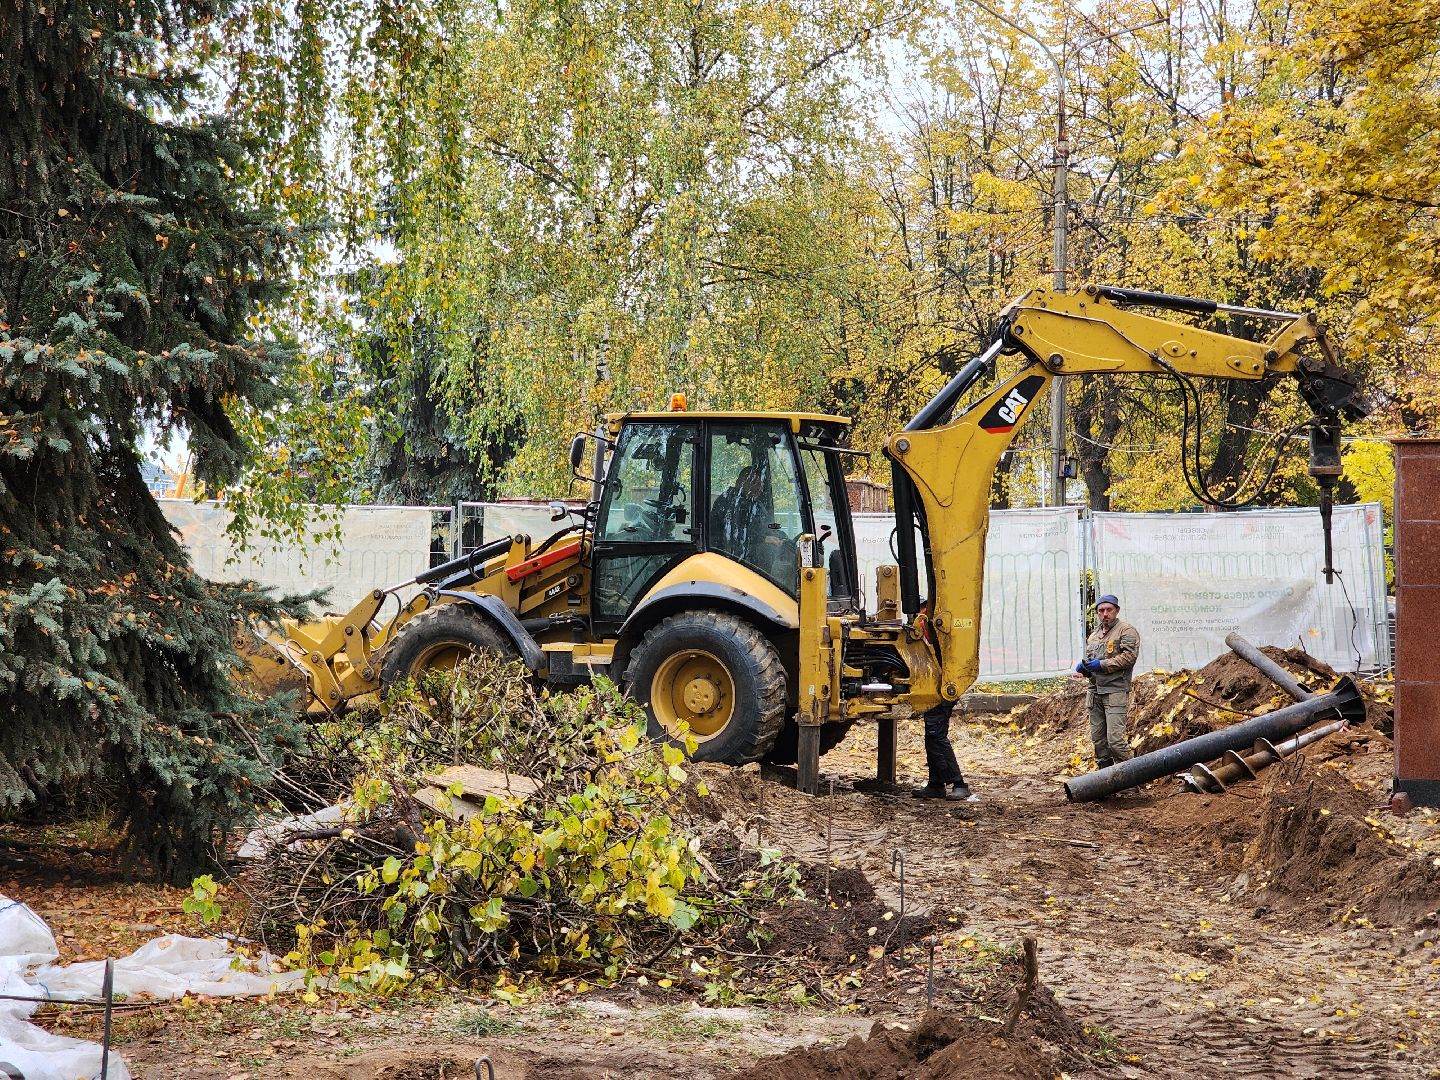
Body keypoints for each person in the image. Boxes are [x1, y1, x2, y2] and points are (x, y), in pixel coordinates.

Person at [1077, 593, 1141, 771]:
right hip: (1095, 691)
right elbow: (1092, 661)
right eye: (1101, 610)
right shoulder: (1094, 636)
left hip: (1115, 691)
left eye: (1109, 610)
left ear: (1117, 610)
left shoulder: (1126, 631)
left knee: (1116, 741)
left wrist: (1101, 665)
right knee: (1099, 743)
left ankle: (1133, 780)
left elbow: (1129, 657)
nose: (1105, 614)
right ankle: (1106, 781)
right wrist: (1086, 669)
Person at [911, 702, 978, 801]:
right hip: (933, 696)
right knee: (931, 737)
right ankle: (936, 785)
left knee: (936, 736)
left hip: (939, 695)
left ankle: (959, 784)